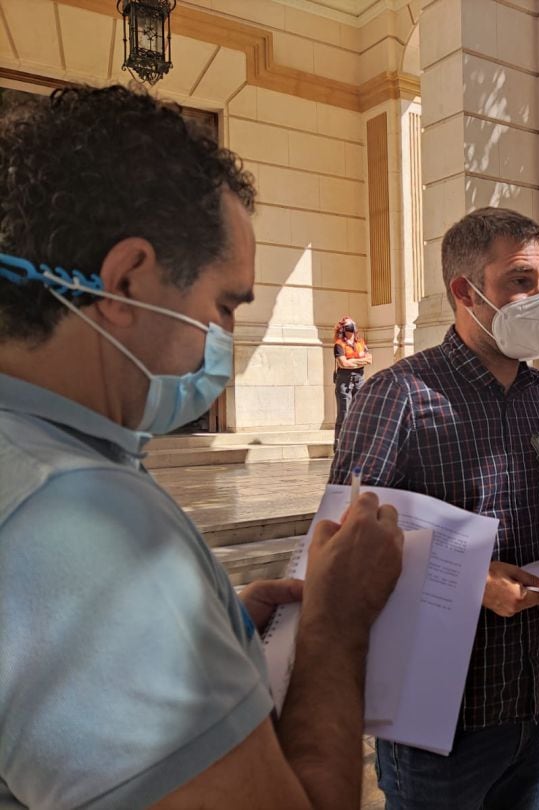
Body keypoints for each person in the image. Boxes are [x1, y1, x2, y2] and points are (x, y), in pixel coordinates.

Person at [0, 86, 403, 808]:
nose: (222, 346)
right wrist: (333, 629)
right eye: (223, 307)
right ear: (126, 282)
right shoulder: (86, 531)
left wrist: (206, 636)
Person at [330, 207, 539, 809]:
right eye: (521, 280)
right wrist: (471, 580)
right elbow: (340, 541)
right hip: (441, 720)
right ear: (465, 292)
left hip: (536, 703)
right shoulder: (400, 395)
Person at [332, 315, 372, 449]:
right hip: (344, 380)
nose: (353, 325)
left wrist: (352, 362)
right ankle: (340, 445)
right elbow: (343, 364)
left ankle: (358, 444)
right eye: (349, 324)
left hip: (359, 379)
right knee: (344, 413)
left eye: (353, 323)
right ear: (344, 328)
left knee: (360, 412)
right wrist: (359, 361)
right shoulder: (339, 344)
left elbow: (369, 359)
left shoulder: (360, 342)